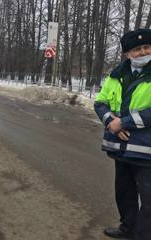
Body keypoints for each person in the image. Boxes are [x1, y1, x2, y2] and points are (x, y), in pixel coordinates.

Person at [94, 29, 151, 240]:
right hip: (121, 147)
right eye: (137, 49)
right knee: (124, 193)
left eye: (147, 47)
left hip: (146, 151)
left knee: (149, 201)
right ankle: (128, 228)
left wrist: (123, 123)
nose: (143, 52)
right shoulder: (116, 74)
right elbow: (100, 102)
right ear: (127, 53)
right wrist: (111, 122)